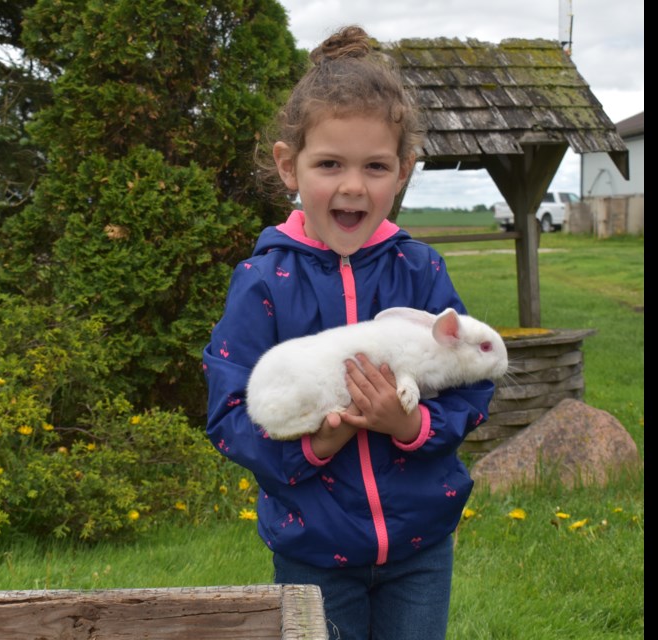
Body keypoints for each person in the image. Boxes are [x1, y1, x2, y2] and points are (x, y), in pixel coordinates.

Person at [201, 25, 496, 640]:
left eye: (376, 166)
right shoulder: (263, 282)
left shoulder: (420, 270)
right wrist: (312, 448)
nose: (354, 185)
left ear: (403, 172)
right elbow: (229, 414)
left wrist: (412, 426)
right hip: (312, 551)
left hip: (419, 546)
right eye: (330, 164)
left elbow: (473, 385)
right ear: (290, 165)